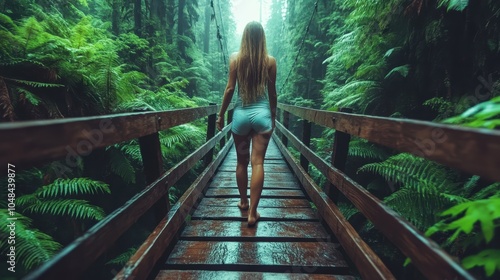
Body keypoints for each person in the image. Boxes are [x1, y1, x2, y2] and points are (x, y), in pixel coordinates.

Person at [216, 21, 277, 227]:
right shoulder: (269, 61)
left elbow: (230, 89)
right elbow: (272, 93)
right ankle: (252, 213)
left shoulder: (235, 59)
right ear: (262, 38)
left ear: (244, 37)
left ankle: (243, 202)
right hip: (262, 117)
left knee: (241, 162)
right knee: (258, 162)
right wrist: (273, 116)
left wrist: (221, 114)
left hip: (240, 117)